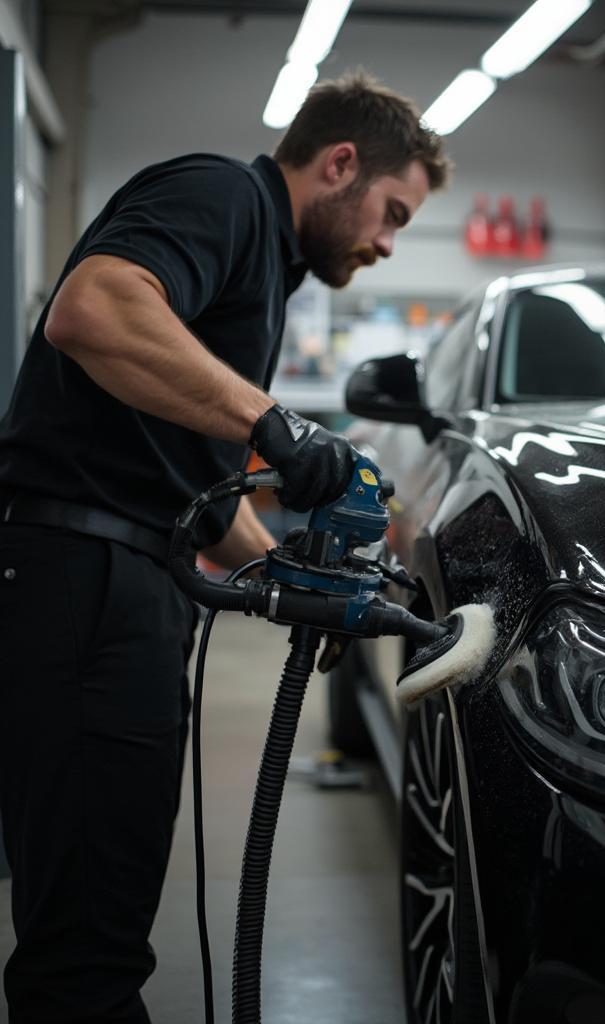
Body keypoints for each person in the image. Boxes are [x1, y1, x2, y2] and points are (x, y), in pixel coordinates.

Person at [0, 71, 450, 1022]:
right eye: (393, 211)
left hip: (124, 586)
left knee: (106, 913)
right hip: (84, 584)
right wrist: (276, 426)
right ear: (340, 163)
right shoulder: (222, 195)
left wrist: (284, 571)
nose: (386, 242)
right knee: (86, 952)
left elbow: (187, 479)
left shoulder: (263, 263)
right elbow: (92, 309)